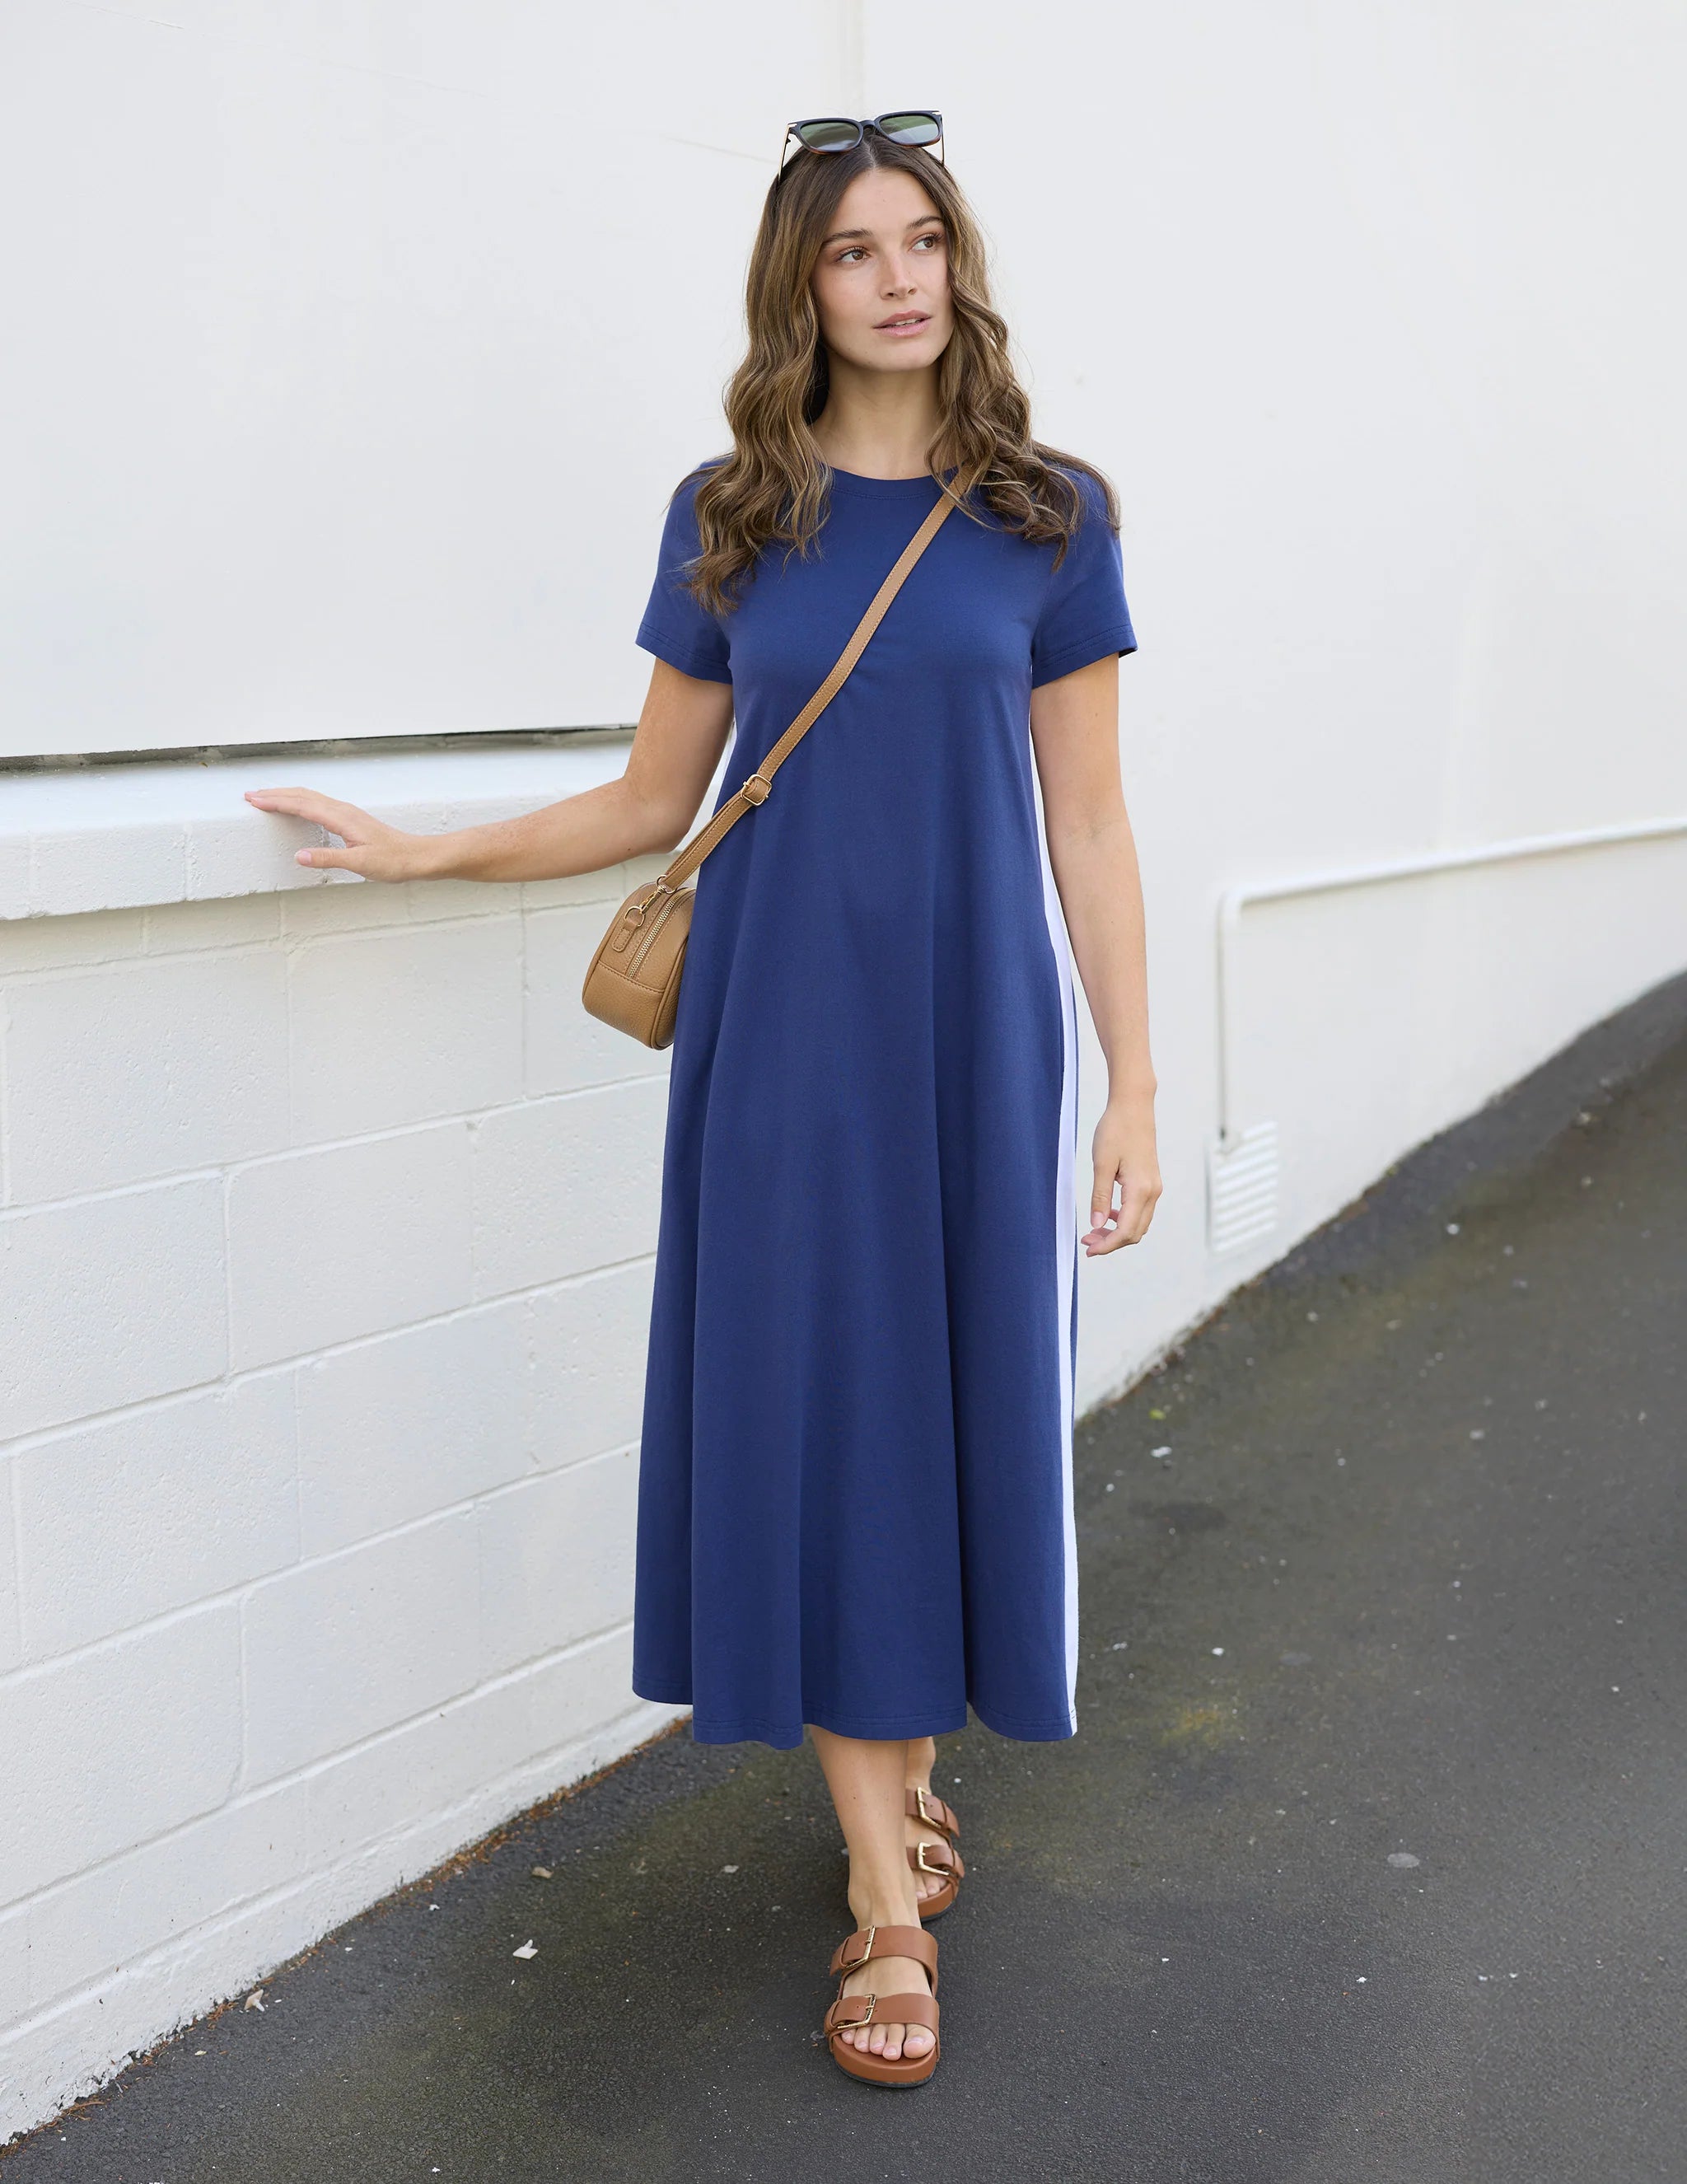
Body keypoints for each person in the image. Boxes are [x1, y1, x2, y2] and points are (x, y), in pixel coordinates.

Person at [243, 109, 1160, 2088]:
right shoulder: (731, 512)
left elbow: (1088, 826)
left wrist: (1135, 1086)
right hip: (782, 1041)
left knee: (945, 1402)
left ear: (959, 264)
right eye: (854, 250)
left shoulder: (1050, 516)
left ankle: (904, 1766)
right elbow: (653, 797)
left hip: (977, 1037)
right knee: (813, 1408)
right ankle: (882, 1894)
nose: (900, 278)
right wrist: (422, 851)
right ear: (798, 288)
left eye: (924, 240)